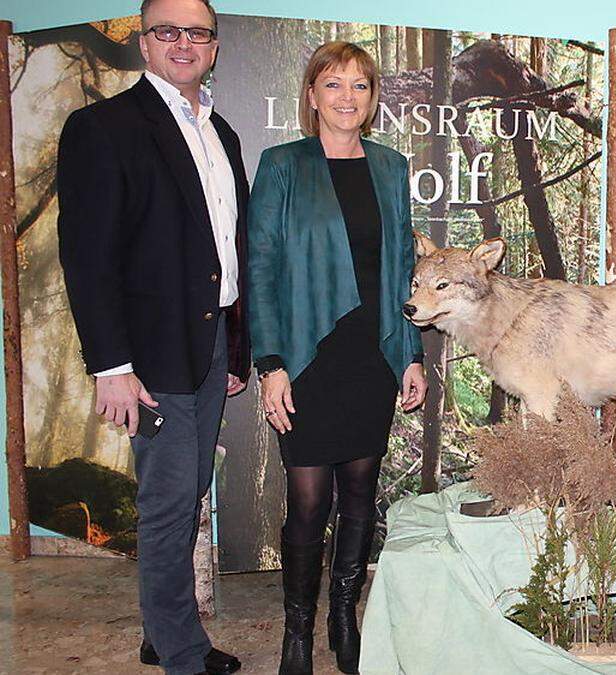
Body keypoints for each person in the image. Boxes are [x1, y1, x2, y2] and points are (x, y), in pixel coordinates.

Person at [56, 1, 249, 673]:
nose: (183, 43)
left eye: (197, 32)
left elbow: (228, 248)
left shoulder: (220, 132)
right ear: (144, 42)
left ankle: (157, 630)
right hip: (152, 354)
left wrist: (234, 349)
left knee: (189, 488)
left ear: (214, 45)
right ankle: (180, 653)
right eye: (167, 31)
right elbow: (87, 256)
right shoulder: (102, 128)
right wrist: (112, 364)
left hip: (210, 347)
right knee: (169, 504)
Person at [246, 41, 427, 675]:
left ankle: (343, 616)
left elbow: (403, 267)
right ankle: (296, 632)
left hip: (371, 355)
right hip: (305, 357)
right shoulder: (283, 164)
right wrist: (270, 364)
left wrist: (411, 355)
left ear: (373, 99)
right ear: (313, 95)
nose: (347, 97)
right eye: (334, 84)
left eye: (360, 86)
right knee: (308, 502)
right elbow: (260, 267)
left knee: (360, 492)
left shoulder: (390, 167)